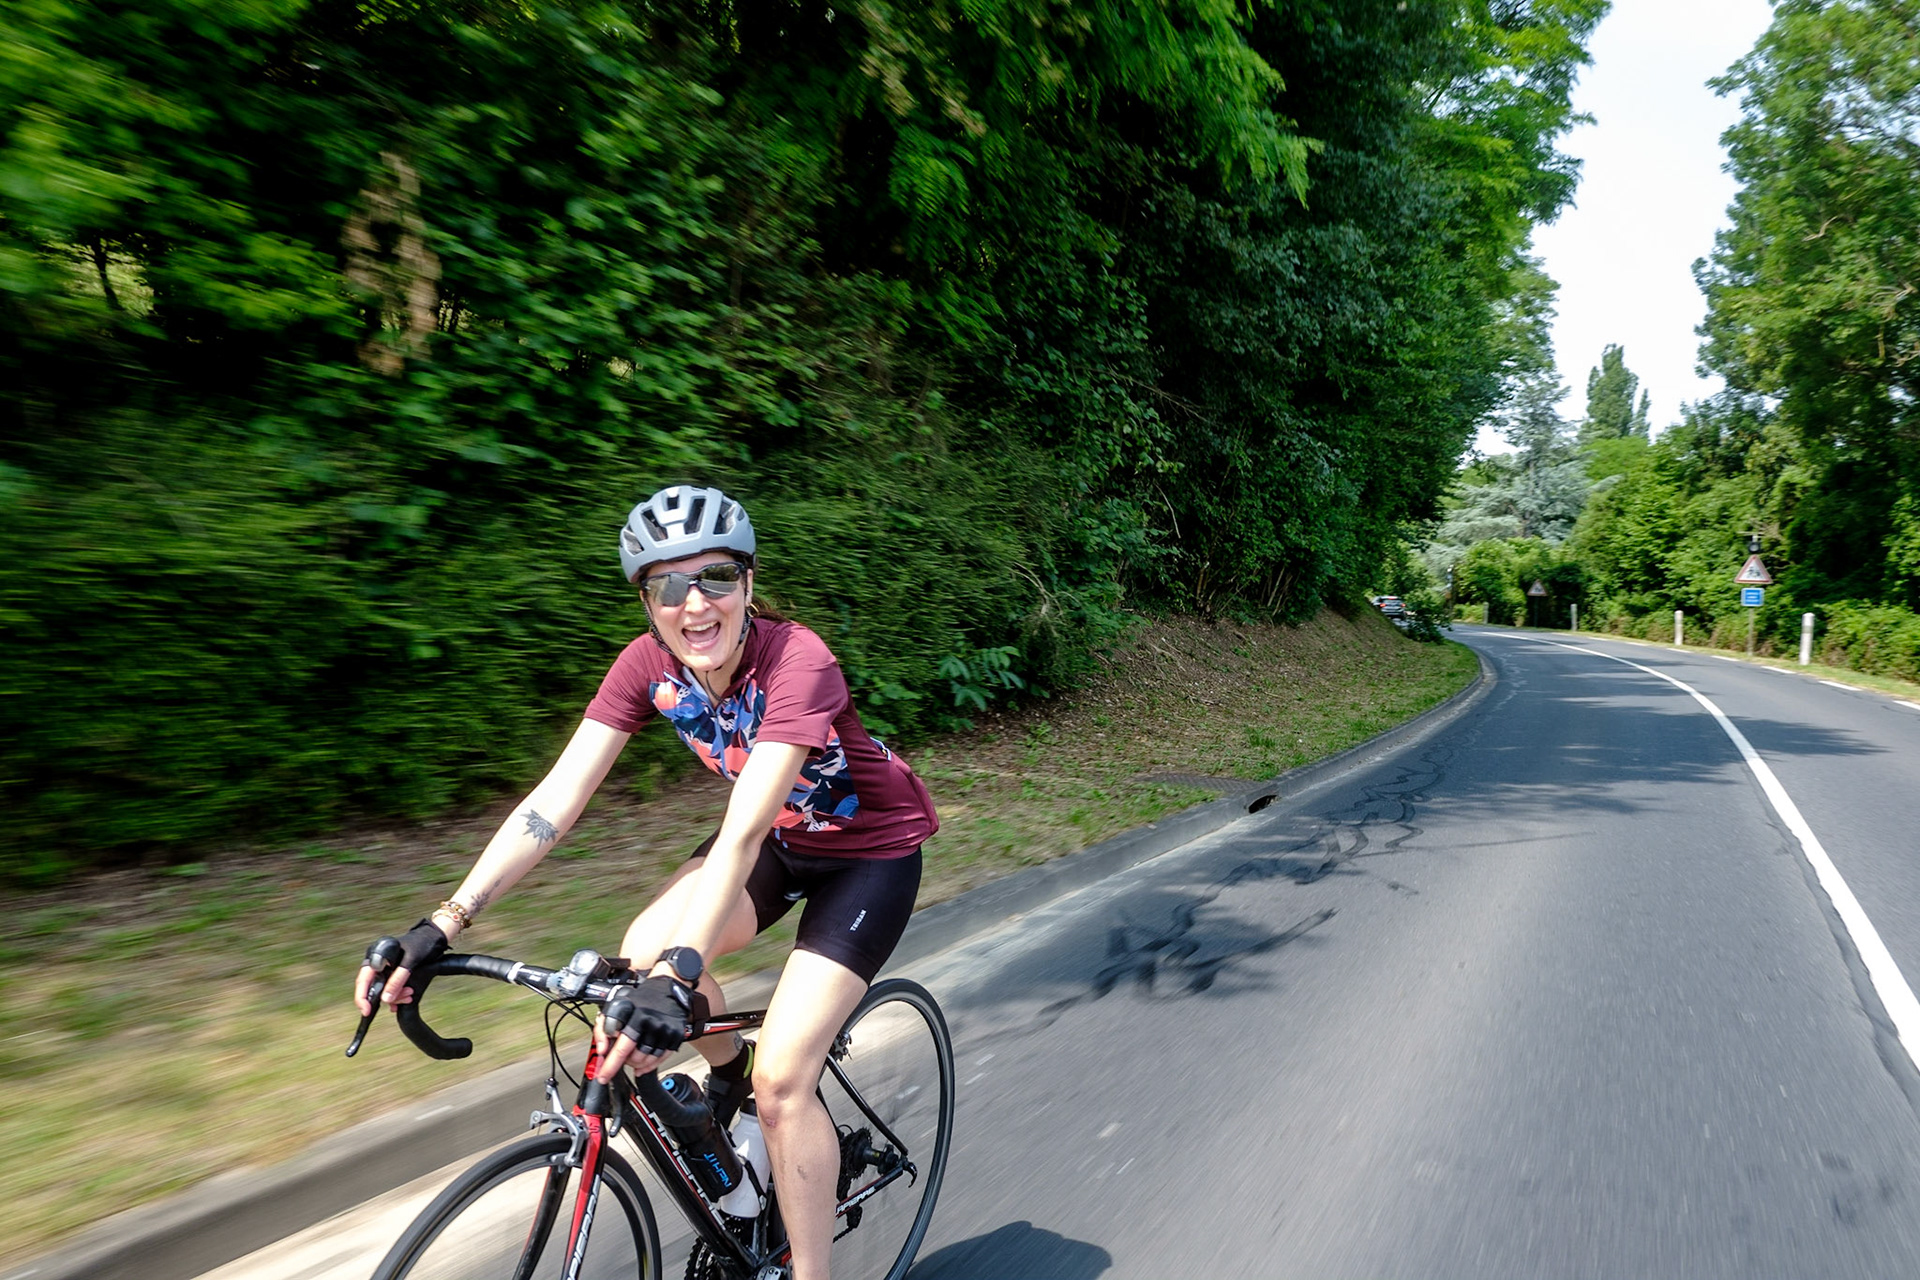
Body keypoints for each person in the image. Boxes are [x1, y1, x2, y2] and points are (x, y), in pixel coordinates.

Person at [353, 483, 937, 1280]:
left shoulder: (800, 662)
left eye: (715, 578)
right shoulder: (646, 668)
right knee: (637, 963)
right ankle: (728, 1105)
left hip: (867, 852)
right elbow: (552, 804)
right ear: (646, 601)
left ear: (749, 584)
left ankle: (803, 1240)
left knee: (782, 1078)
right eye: (667, 585)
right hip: (776, 842)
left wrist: (684, 974)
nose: (694, 604)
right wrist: (445, 920)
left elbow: (742, 832)